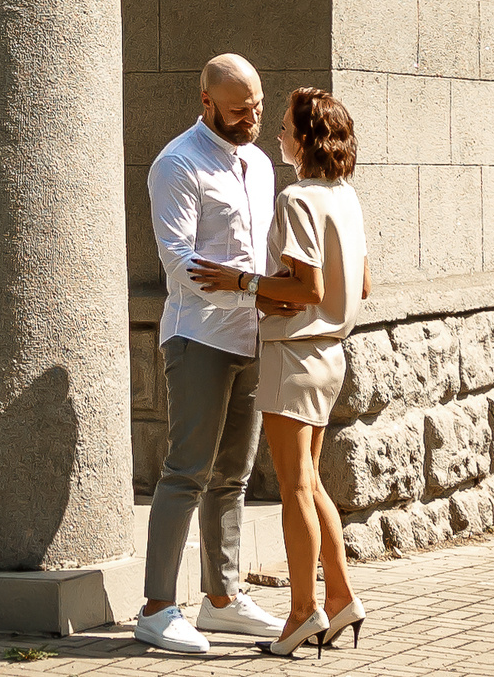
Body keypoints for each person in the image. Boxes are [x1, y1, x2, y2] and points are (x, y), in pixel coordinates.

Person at [195, 86, 369, 658]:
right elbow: (358, 286)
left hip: (294, 357)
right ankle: (339, 597)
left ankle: (302, 612)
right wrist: (289, 295)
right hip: (332, 353)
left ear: (306, 140)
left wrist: (244, 282)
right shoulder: (346, 197)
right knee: (311, 483)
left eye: (287, 130)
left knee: (295, 486)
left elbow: (307, 288)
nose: (278, 136)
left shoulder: (297, 199)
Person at [135, 54, 283, 654]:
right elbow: (179, 263)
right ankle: (156, 608)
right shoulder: (177, 163)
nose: (251, 119)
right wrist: (251, 287)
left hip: (253, 335)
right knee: (186, 472)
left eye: (257, 108)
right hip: (198, 334)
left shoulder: (260, 162)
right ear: (207, 103)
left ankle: (221, 599)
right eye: (239, 110)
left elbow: (267, 246)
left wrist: (273, 294)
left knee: (234, 475)